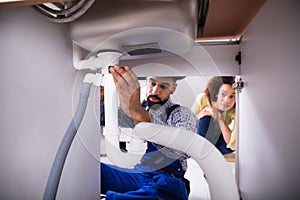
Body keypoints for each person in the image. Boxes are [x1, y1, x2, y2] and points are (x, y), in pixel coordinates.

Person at [101, 65, 197, 199]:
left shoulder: (181, 113)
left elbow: (185, 148)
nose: (156, 90)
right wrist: (101, 97)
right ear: (146, 81)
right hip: (140, 174)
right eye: (152, 83)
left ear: (173, 89)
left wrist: (142, 118)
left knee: (158, 193)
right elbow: (104, 117)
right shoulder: (139, 109)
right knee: (96, 170)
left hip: (168, 179)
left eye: (163, 86)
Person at [191, 76, 236, 154]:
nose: (227, 100)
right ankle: (206, 151)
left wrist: (219, 119)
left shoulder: (234, 111)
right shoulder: (202, 98)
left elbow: (231, 143)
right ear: (216, 94)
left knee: (232, 145)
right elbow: (188, 124)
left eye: (232, 96)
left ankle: (209, 152)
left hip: (220, 140)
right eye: (223, 94)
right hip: (201, 137)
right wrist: (203, 112)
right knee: (206, 119)